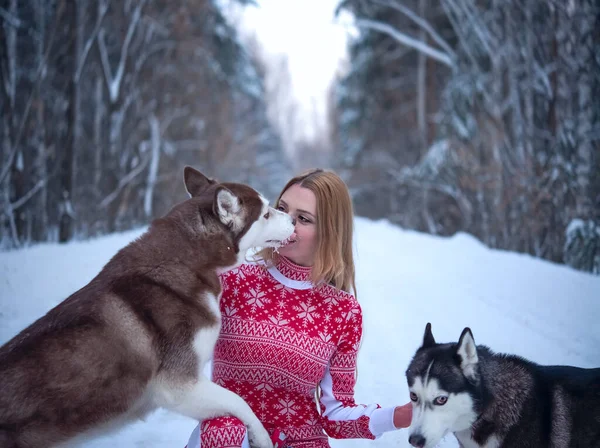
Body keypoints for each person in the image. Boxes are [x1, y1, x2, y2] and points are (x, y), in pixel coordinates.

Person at [186, 169, 412, 448]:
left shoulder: (343, 312)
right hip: (228, 436)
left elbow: (336, 414)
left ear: (329, 233)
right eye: (281, 209)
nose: (286, 222)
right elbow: (176, 349)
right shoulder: (231, 278)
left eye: (303, 219)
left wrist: (398, 416)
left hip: (301, 441)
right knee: (225, 431)